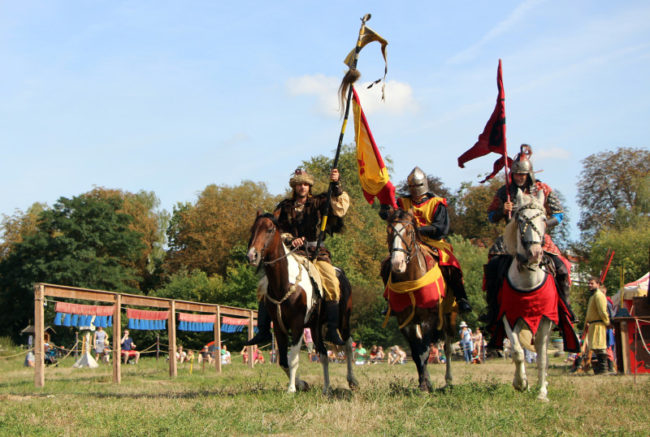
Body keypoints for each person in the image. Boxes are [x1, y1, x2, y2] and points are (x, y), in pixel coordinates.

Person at [246, 168, 350, 346]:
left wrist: (336, 185)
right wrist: (290, 239)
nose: (302, 187)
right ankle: (263, 330)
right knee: (264, 285)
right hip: (292, 253)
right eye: (298, 184)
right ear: (294, 186)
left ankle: (332, 329)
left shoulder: (320, 202)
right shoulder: (284, 206)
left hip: (316, 254)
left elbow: (340, 209)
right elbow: (275, 229)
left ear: (309, 186)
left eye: (305, 184)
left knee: (332, 282)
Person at [483, 144, 574, 327]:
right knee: (492, 269)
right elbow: (491, 216)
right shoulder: (504, 191)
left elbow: (559, 215)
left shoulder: (543, 188)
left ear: (529, 174)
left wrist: (542, 225)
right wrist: (502, 210)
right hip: (511, 239)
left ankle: (565, 308)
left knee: (562, 268)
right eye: (516, 174)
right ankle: (492, 311)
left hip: (538, 237)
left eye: (522, 174)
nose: (519, 177)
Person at [379, 167, 472, 313]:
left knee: (451, 264)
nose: (415, 189)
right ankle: (390, 300)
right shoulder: (402, 202)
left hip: (432, 242)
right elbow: (390, 216)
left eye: (418, 186)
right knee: (386, 264)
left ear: (424, 185)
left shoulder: (437, 203)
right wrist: (384, 208)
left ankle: (461, 297)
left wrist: (418, 230)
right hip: (407, 243)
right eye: (412, 186)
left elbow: (441, 228)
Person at [585, 277, 610, 375]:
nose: (590, 285)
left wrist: (607, 322)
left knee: (600, 346)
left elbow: (602, 311)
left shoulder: (599, 296)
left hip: (599, 324)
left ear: (598, 284)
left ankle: (603, 369)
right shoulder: (593, 296)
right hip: (593, 324)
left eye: (592, 283)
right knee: (595, 346)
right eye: (589, 283)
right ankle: (599, 369)